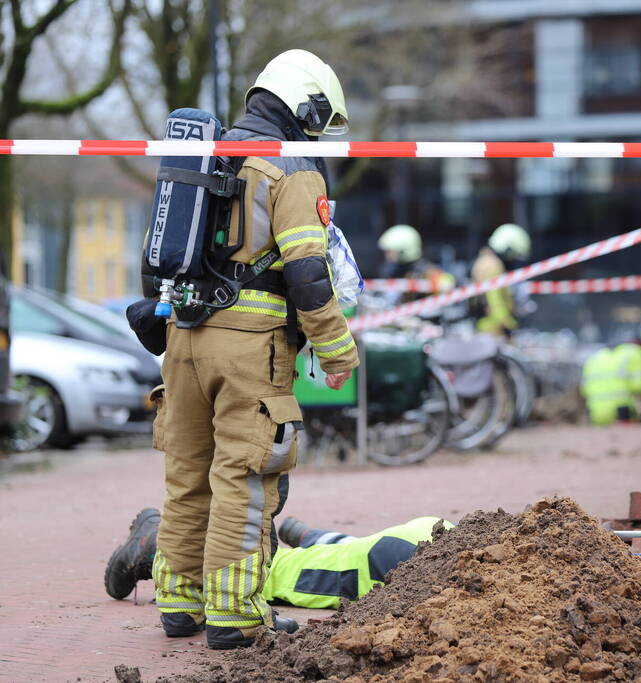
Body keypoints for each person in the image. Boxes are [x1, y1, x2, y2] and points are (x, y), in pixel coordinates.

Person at [148, 50, 359, 650]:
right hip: (249, 353)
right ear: (305, 106)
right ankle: (236, 615)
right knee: (243, 481)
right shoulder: (290, 166)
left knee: (187, 476)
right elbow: (308, 273)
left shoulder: (200, 155)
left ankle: (179, 603)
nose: (318, 134)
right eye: (320, 120)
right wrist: (338, 351)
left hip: (183, 341)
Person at [106, 510, 449, 610]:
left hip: (434, 531)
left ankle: (313, 538)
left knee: (357, 550)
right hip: (392, 563)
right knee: (263, 574)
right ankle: (154, 546)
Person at [472, 223, 531, 336]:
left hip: (487, 328)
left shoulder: (485, 260)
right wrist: (510, 325)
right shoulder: (493, 265)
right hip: (491, 330)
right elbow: (495, 302)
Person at [580, 340, 641, 426]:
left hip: (596, 415)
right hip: (622, 414)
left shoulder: (594, 357)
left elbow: (584, 391)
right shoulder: (636, 352)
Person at [376, 224, 455, 302]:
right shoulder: (392, 271)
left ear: (404, 250)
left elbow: (446, 285)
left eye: (390, 251)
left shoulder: (426, 271)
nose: (387, 256)